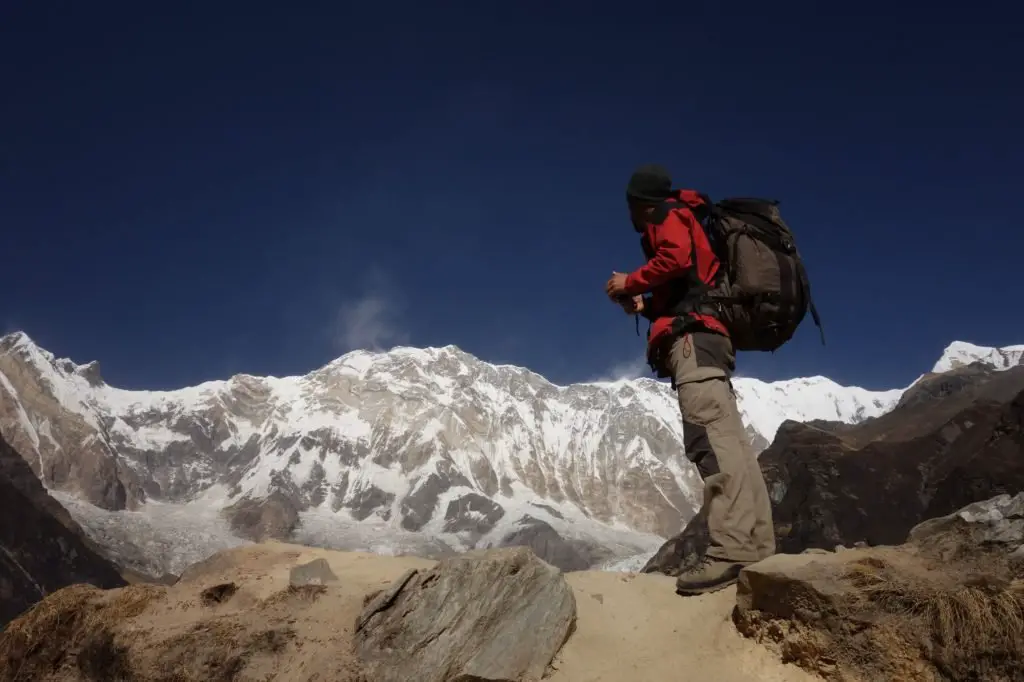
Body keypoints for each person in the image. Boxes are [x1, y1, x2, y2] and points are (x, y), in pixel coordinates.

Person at [605, 164, 776, 595]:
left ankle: (731, 551)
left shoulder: (666, 215)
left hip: (691, 345)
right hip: (709, 339)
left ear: (637, 203)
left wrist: (631, 279)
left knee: (711, 444)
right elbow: (685, 278)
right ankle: (758, 546)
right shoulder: (684, 216)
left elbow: (676, 257)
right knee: (733, 443)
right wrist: (643, 303)